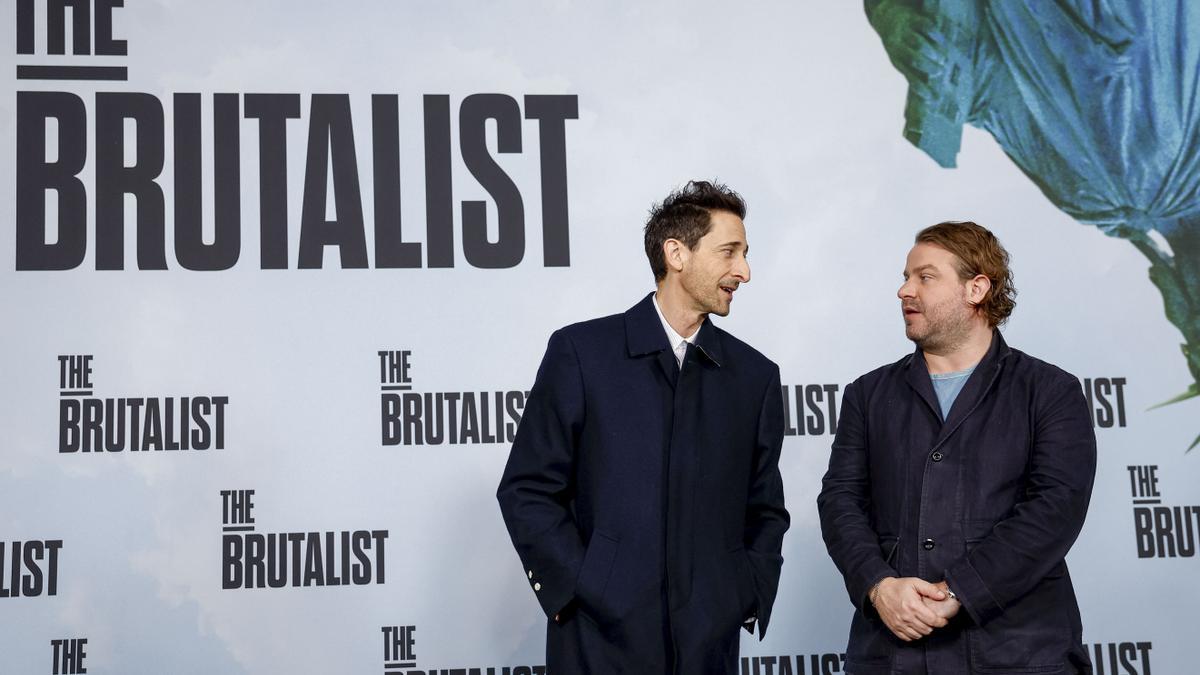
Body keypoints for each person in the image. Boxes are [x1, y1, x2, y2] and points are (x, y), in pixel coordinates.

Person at [497, 180, 789, 673]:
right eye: (729, 252)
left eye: (745, 253)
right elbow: (528, 488)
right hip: (598, 641)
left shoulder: (755, 377)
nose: (744, 271)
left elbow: (764, 509)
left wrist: (740, 592)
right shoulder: (582, 354)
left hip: (708, 644)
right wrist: (583, 587)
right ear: (676, 253)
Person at [817, 221, 1096, 674]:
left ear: (977, 289)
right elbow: (840, 502)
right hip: (894, 655)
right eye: (905, 277)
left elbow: (1054, 510)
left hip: (1018, 654)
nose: (905, 291)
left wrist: (957, 592)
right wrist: (878, 586)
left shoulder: (1049, 391)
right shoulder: (866, 395)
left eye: (925, 277)